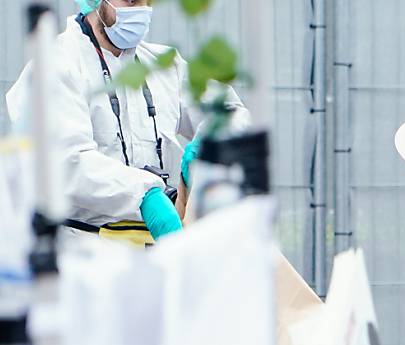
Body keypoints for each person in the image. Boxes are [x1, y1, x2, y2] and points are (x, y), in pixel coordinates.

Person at [5, 0, 248, 245]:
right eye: (130, 0)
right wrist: (145, 196)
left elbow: (231, 111)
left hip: (157, 246)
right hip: (85, 249)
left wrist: (209, 142)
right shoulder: (56, 64)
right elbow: (66, 163)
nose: (140, 9)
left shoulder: (164, 65)